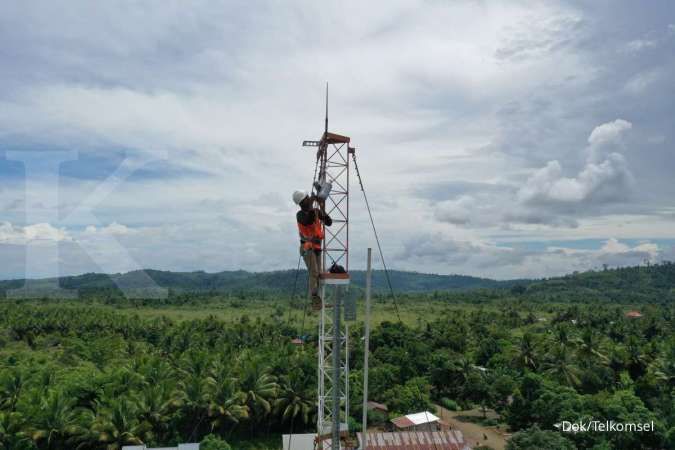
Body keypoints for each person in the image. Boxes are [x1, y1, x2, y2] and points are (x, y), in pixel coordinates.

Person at [293, 189, 332, 310]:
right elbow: (308, 220)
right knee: (314, 272)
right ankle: (314, 298)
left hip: (316, 247)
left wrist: (321, 207)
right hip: (307, 247)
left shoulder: (315, 211)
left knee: (319, 274)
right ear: (302, 203)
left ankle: (318, 300)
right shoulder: (300, 215)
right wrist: (314, 202)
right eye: (307, 198)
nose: (309, 199)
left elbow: (329, 222)